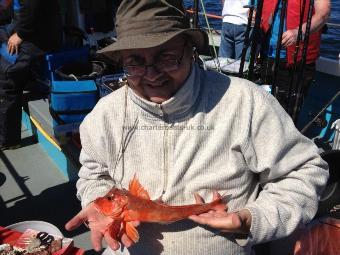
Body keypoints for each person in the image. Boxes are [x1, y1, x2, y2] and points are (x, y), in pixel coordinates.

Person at [65, 0, 329, 254]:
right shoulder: (105, 114)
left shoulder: (245, 101)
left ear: (190, 49)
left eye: (167, 57)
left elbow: (304, 171)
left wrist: (250, 219)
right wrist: (97, 198)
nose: (152, 73)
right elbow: (93, 173)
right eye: (134, 61)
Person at [0, 0, 62, 150]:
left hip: (37, 37)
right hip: (26, 27)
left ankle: (8, 140)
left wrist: (20, 34)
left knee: (9, 78)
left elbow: (33, 6)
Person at [259, 0, 330, 115]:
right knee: (262, 109)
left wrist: (299, 32)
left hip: (297, 61)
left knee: (286, 115)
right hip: (266, 57)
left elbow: (323, 13)